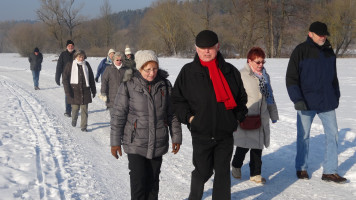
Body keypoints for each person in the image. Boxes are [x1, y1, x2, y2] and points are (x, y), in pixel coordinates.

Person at [172, 30, 248, 200]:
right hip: (202, 132)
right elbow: (177, 100)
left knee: (222, 172)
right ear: (196, 49)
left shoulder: (230, 71)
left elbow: (242, 99)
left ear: (218, 47)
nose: (206, 51)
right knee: (203, 170)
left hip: (225, 134)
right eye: (202, 48)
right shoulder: (188, 72)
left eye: (210, 48)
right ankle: (194, 197)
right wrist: (191, 119)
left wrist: (235, 118)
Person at [110, 50, 182, 200]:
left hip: (158, 141)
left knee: (153, 182)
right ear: (139, 68)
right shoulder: (128, 86)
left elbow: (172, 114)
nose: (152, 73)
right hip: (136, 142)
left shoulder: (165, 85)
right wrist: (115, 142)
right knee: (138, 183)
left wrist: (176, 137)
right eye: (147, 69)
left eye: (154, 68)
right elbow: (118, 116)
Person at [286, 21, 347, 183]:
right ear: (310, 33)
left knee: (333, 134)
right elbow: (291, 78)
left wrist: (336, 94)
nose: (323, 37)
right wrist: (297, 99)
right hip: (305, 102)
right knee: (303, 136)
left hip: (327, 101)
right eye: (320, 34)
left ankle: (330, 171)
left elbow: (333, 77)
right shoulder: (301, 51)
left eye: (324, 34)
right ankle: (302, 167)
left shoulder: (329, 51)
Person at [231, 47, 279, 184]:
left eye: (263, 62)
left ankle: (256, 174)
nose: (261, 65)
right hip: (247, 116)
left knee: (258, 147)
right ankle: (236, 165)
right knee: (243, 146)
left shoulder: (265, 76)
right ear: (249, 61)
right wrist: (236, 114)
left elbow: (270, 96)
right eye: (257, 62)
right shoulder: (241, 75)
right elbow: (235, 97)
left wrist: (273, 114)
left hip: (262, 117)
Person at [62, 50, 96, 132]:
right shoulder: (70, 65)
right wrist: (67, 91)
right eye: (79, 56)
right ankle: (74, 120)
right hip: (74, 91)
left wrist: (93, 89)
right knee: (75, 109)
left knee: (84, 110)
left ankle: (83, 127)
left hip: (85, 91)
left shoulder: (86, 65)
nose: (81, 58)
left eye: (82, 56)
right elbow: (65, 79)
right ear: (76, 57)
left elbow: (91, 78)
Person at [56, 40, 76, 117]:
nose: (70, 47)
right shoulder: (63, 54)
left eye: (72, 45)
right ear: (66, 47)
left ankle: (74, 109)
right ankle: (68, 111)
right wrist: (57, 77)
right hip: (66, 78)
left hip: (75, 77)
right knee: (67, 94)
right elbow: (59, 66)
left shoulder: (76, 54)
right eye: (69, 46)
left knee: (75, 94)